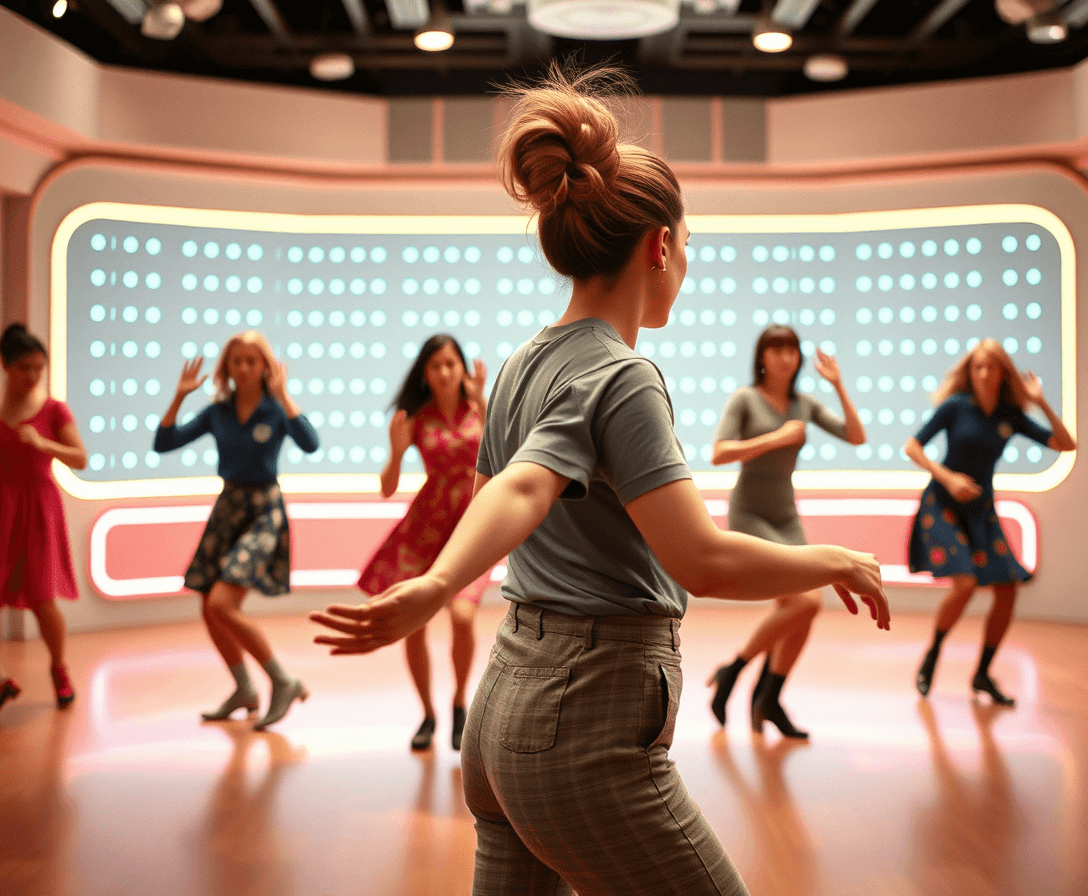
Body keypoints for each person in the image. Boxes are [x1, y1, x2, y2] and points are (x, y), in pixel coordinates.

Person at [311, 65, 889, 896]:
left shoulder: (518, 364)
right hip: (581, 725)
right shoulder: (624, 378)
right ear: (659, 246)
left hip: (507, 701)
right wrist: (833, 559)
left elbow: (511, 488)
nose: (684, 263)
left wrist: (440, 581)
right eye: (686, 246)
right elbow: (705, 562)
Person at [153, 331, 319, 730]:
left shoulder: (275, 409)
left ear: (265, 366)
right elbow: (163, 442)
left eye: (252, 360)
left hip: (264, 510)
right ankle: (245, 689)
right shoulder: (219, 412)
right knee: (209, 609)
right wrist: (178, 397)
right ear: (226, 367)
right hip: (228, 508)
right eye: (236, 361)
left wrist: (284, 395)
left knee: (222, 605)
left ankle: (284, 680)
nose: (243, 368)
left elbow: (310, 443)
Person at [705, 326, 865, 739]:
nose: (785, 357)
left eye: (791, 349)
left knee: (799, 611)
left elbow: (856, 435)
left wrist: (838, 385)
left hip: (785, 515)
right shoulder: (745, 399)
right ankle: (736, 672)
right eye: (776, 349)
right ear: (762, 357)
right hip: (750, 513)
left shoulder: (803, 404)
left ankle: (767, 696)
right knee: (808, 603)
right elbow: (719, 452)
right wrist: (777, 438)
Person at [907, 338, 1074, 706]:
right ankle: (933, 652)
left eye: (991, 367)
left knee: (1007, 590)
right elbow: (913, 446)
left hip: (981, 510)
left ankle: (982, 673)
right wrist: (946, 476)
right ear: (969, 371)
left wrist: (1041, 402)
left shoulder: (1009, 415)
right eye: (977, 367)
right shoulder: (955, 406)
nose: (983, 373)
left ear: (1003, 372)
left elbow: (1066, 444)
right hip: (943, 503)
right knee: (964, 584)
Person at [357, 334, 489, 751]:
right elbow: (387, 487)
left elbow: (504, 459)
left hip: (470, 526)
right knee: (413, 624)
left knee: (464, 618)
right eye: (436, 366)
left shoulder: (479, 409)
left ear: (462, 369)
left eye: (452, 364)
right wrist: (396, 453)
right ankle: (428, 714)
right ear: (425, 374)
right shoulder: (417, 418)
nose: (445, 372)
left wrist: (484, 401)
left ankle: (458, 703)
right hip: (425, 529)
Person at [0, 324, 87, 710]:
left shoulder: (54, 409)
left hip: (38, 507)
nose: (33, 375)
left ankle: (59, 669)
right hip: (3, 505)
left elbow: (81, 459)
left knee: (42, 597)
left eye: (39, 367)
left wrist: (43, 443)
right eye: (24, 367)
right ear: (5, 367)